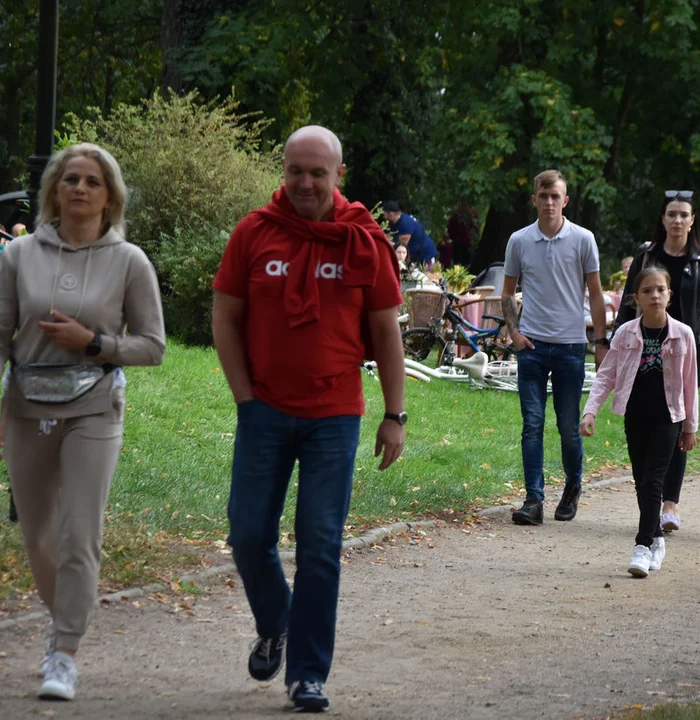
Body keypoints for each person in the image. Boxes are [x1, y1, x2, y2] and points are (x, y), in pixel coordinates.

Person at [212, 125, 405, 713]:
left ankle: (308, 674)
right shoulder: (254, 233)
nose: (305, 182)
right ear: (284, 170)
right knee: (247, 535)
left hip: (334, 416)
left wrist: (395, 415)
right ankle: (277, 622)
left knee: (320, 544)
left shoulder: (362, 241)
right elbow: (225, 317)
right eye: (296, 170)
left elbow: (386, 332)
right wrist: (245, 398)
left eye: (318, 172)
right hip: (264, 411)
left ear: (338, 175)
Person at [0, 143, 165, 701]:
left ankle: (64, 651)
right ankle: (66, 618)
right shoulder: (18, 255)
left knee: (80, 534)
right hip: (25, 404)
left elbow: (153, 346)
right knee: (39, 536)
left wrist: (95, 344)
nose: (79, 189)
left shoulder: (130, 262)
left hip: (95, 406)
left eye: (92, 182)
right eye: (70, 180)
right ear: (54, 190)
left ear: (110, 197)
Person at [501, 169, 607, 525]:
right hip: (531, 344)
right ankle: (533, 498)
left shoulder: (583, 239)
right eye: (543, 196)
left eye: (555, 196)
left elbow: (595, 293)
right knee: (532, 424)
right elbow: (507, 293)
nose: (549, 202)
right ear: (534, 199)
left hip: (570, 346)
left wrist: (600, 339)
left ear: (566, 200)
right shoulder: (519, 240)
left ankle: (573, 485)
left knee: (567, 425)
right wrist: (514, 333)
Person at [612, 190, 700, 533]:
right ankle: (651, 501)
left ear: (692, 221)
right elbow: (628, 304)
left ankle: (669, 503)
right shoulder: (646, 257)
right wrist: (615, 339)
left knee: (680, 417)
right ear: (663, 219)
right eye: (671, 214)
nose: (677, 220)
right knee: (650, 422)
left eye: (683, 215)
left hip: (684, 348)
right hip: (645, 347)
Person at [581, 265, 698, 577]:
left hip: (668, 418)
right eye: (647, 291)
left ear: (669, 295)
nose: (655, 295)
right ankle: (657, 539)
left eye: (660, 289)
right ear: (636, 298)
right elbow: (606, 375)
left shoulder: (683, 335)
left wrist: (690, 427)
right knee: (642, 480)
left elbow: (689, 386)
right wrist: (590, 410)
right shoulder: (626, 333)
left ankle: (643, 545)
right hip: (635, 416)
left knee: (654, 479)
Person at [384, 200, 438, 266]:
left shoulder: (405, 224)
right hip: (416, 255)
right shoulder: (395, 222)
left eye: (384, 212)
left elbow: (401, 246)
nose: (383, 214)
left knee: (427, 275)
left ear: (391, 214)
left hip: (426, 256)